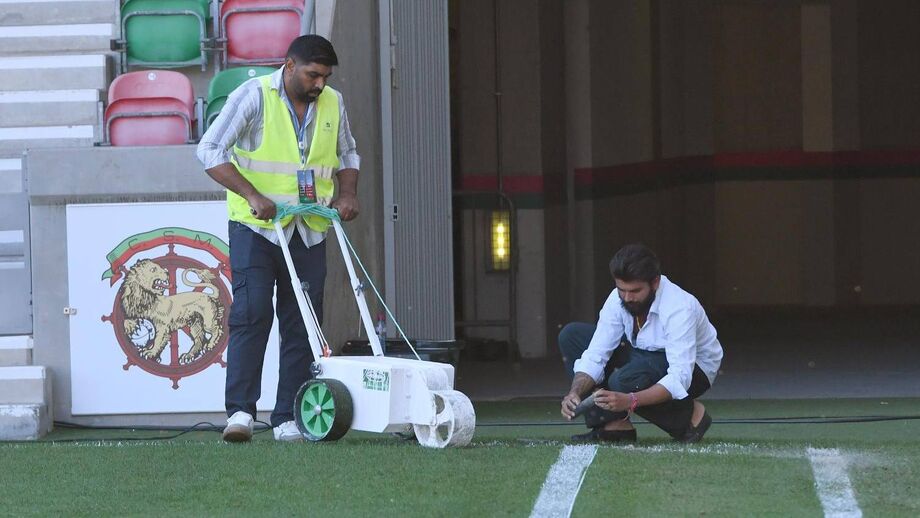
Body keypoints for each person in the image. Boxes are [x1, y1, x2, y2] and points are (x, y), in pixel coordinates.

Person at [197, 35, 361, 442]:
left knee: (303, 322)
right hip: (256, 228)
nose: (320, 84)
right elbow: (210, 149)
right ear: (289, 65)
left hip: (309, 227)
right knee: (252, 313)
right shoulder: (252, 96)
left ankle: (287, 414)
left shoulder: (334, 103)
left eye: (325, 76)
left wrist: (348, 194)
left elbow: (348, 155)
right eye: (312, 74)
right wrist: (252, 195)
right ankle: (240, 413)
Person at [559, 244, 723, 443]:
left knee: (624, 381)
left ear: (654, 283)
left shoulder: (680, 307)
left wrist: (630, 400)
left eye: (635, 291)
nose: (627, 298)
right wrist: (575, 393)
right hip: (642, 354)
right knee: (572, 336)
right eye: (622, 290)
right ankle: (614, 426)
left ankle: (689, 417)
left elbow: (680, 376)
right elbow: (596, 354)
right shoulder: (617, 298)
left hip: (694, 370)